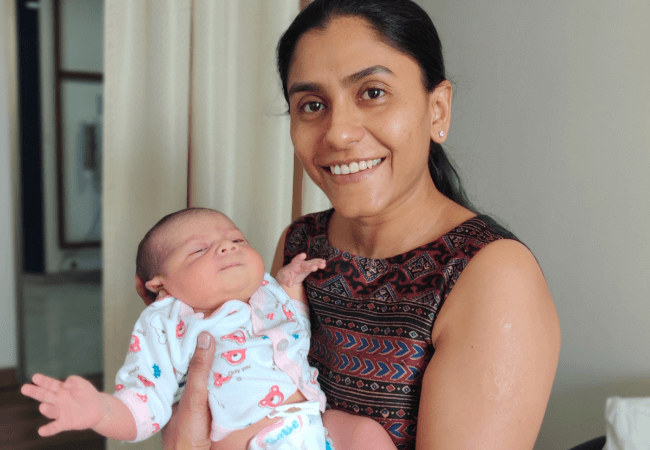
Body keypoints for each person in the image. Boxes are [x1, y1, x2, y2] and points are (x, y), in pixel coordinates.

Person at [141, 1, 561, 449]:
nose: (338, 133)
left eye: (372, 92)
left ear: (436, 110)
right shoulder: (302, 243)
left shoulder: (489, 276)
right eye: (313, 104)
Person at [22, 207, 397, 450]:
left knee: (366, 435)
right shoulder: (168, 322)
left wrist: (290, 286)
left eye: (236, 240)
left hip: (317, 428)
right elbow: (144, 403)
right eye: (199, 250)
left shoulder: (265, 293)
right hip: (251, 442)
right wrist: (100, 411)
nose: (226, 248)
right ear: (160, 286)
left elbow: (294, 333)